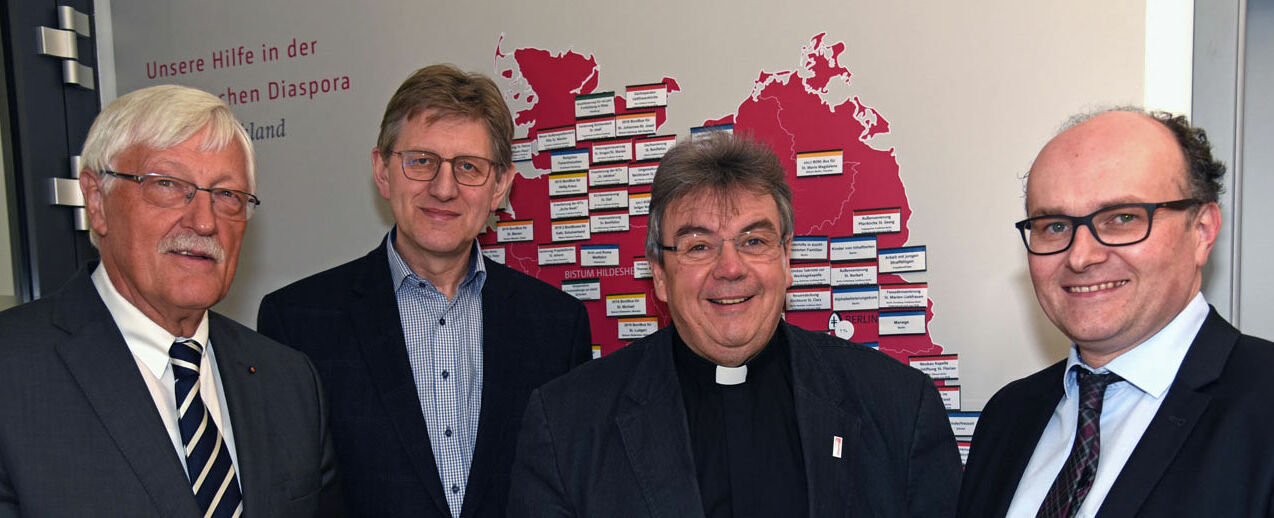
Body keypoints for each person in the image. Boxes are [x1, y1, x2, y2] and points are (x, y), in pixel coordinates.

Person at [507, 133, 961, 517]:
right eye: (698, 246)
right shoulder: (568, 423)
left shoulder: (900, 407)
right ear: (659, 275)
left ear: (787, 260)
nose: (730, 268)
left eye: (754, 241)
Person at [257, 64, 592, 518]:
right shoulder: (297, 324)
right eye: (421, 161)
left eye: (469, 167)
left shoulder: (557, 326)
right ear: (382, 171)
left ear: (500, 187)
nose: (444, 187)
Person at [0, 85, 341, 516]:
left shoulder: (289, 381)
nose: (203, 221)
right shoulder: (13, 374)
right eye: (166, 184)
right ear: (97, 200)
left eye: (227, 196)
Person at [958, 109, 1274, 517]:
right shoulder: (1008, 417)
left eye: (1122, 218)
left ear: (1202, 230)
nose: (1080, 256)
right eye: (1054, 226)